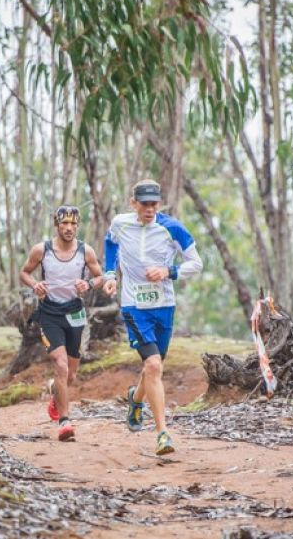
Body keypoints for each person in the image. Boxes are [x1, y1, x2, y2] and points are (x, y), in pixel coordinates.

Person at [102, 179, 203, 455]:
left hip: (164, 305)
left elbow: (196, 263)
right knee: (154, 365)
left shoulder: (173, 228)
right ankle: (162, 434)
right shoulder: (121, 224)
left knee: (153, 367)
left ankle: (135, 399)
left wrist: (168, 271)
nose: (149, 209)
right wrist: (110, 275)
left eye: (154, 204)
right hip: (134, 305)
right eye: (144, 204)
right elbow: (110, 244)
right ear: (133, 203)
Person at [19, 205, 104, 442]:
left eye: (73, 224)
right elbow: (24, 273)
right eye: (64, 223)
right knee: (61, 365)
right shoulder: (42, 250)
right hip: (49, 314)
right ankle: (65, 422)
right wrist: (35, 284)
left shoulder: (85, 251)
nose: (68, 228)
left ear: (78, 226)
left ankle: (54, 389)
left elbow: (100, 276)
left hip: (75, 313)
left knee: (70, 375)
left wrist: (88, 284)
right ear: (56, 225)